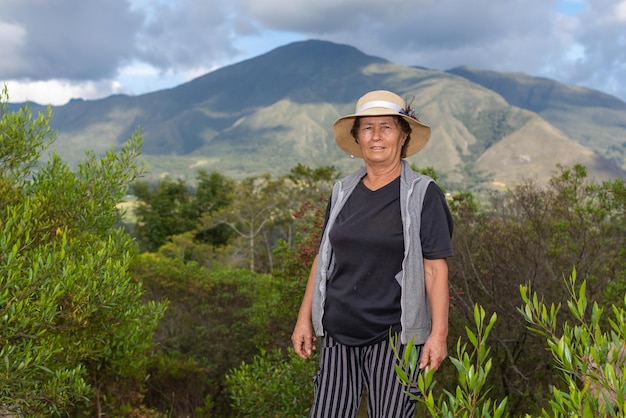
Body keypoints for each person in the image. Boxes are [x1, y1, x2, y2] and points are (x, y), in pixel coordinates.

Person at [291, 90, 454, 418]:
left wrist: (438, 335)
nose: (376, 136)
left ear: (403, 135)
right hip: (339, 332)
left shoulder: (423, 194)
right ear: (357, 137)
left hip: (394, 337)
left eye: (386, 127)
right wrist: (304, 319)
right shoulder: (342, 191)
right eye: (367, 128)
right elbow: (323, 258)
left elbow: (435, 269)